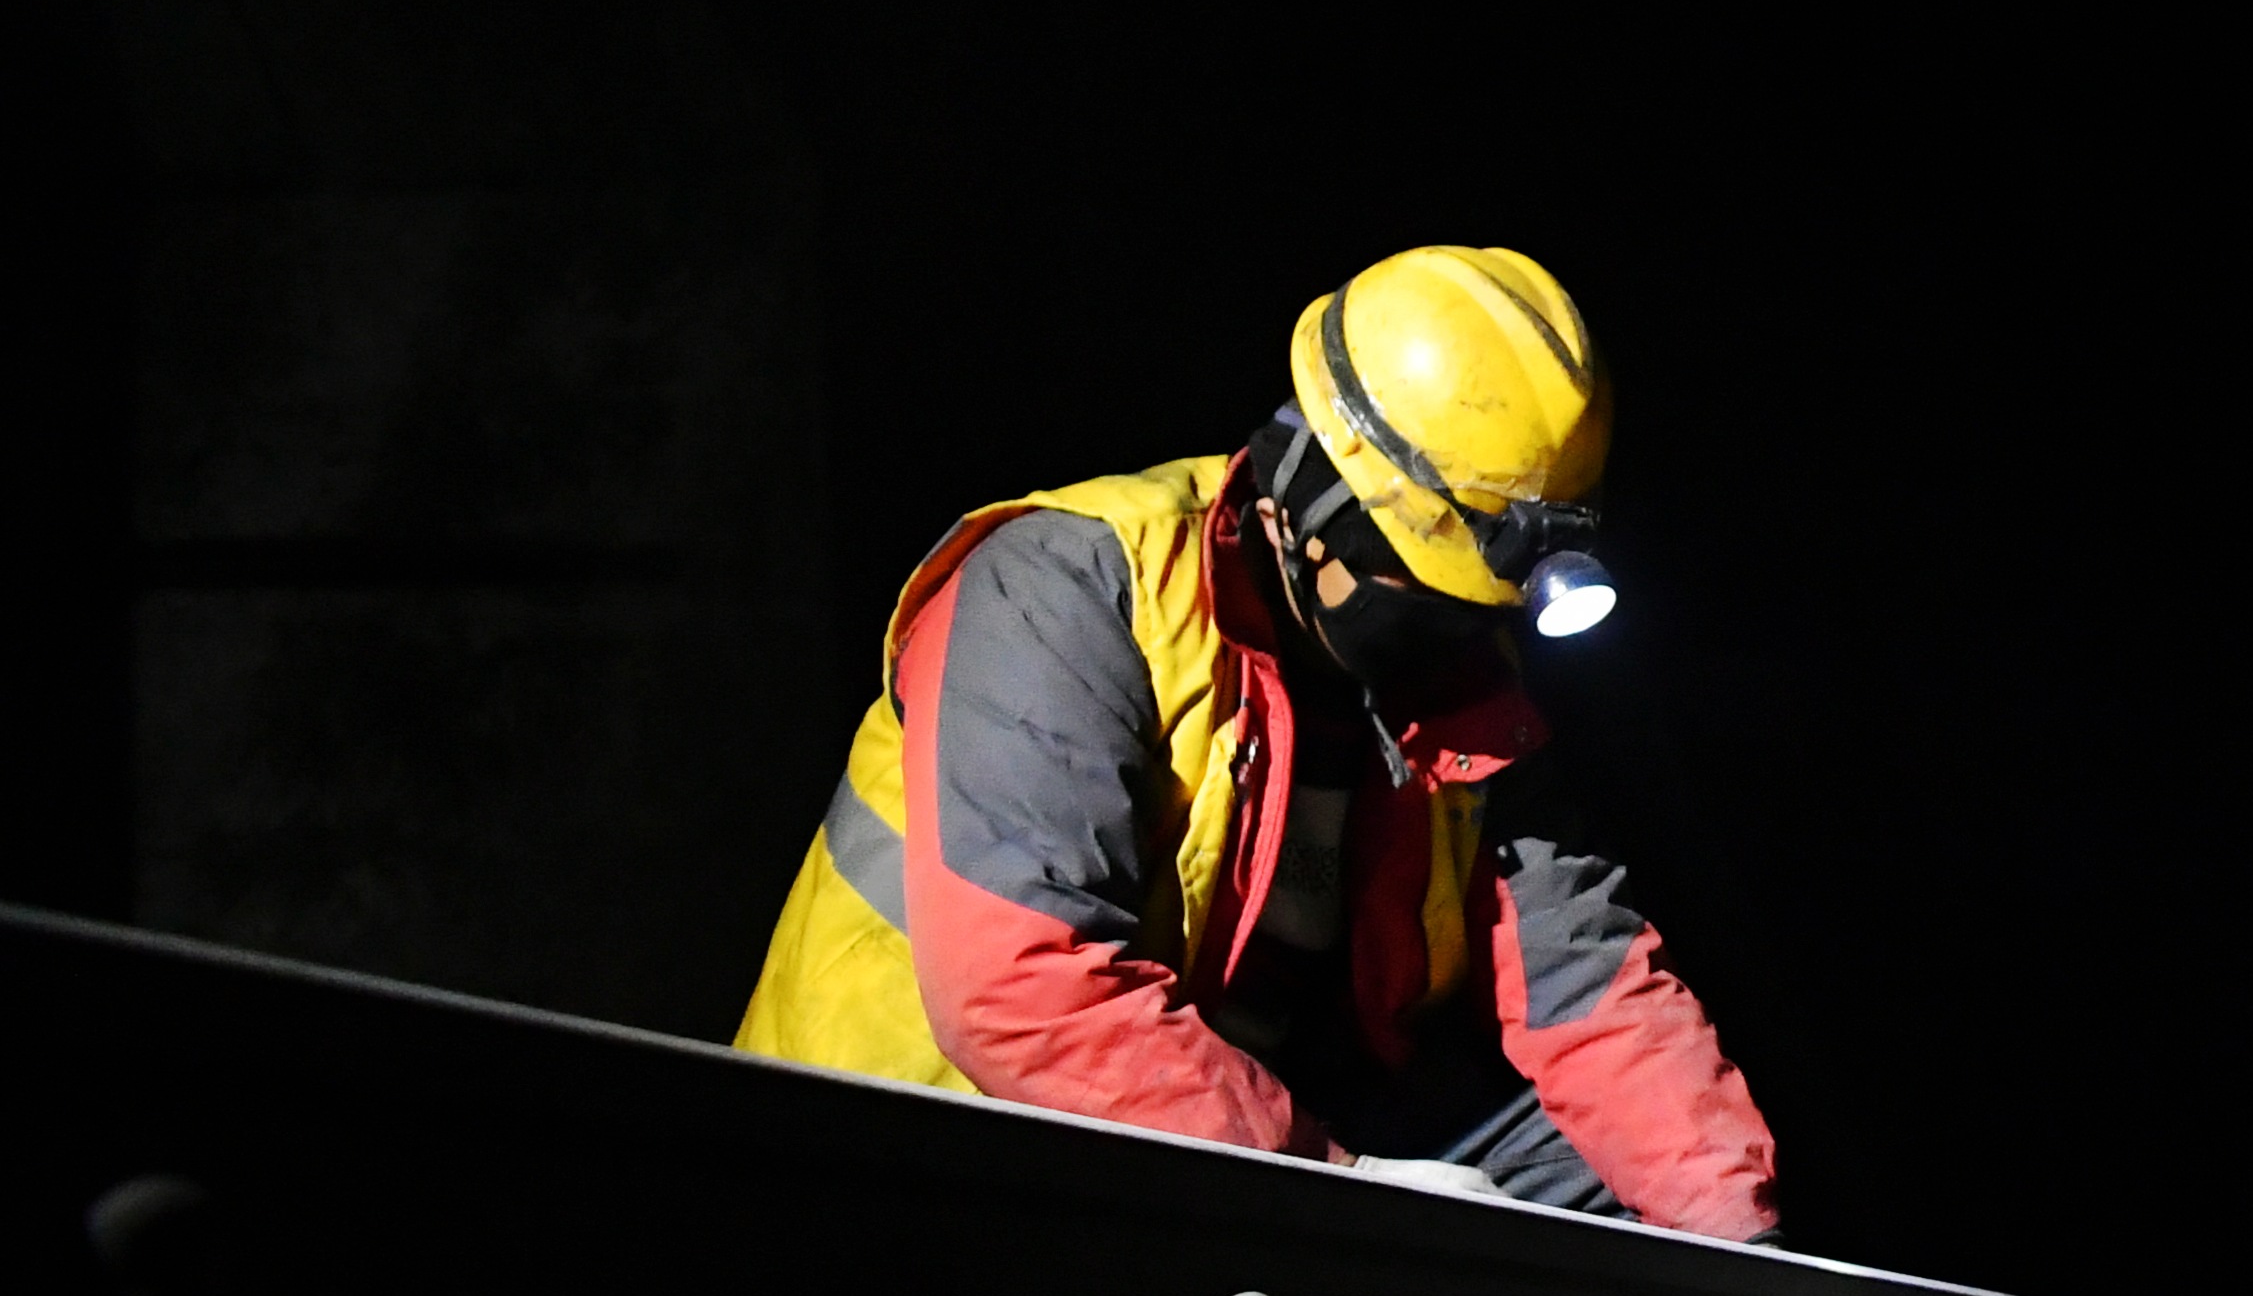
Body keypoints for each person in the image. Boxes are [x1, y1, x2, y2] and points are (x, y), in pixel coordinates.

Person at [735, 245, 1778, 1237]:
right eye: (1424, 590)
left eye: (1481, 604)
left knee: (1602, 1189)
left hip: (1223, 1141)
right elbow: (1025, 987)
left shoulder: (1456, 674)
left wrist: (1746, 1253)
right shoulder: (1068, 588)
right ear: (1307, 513)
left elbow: (1581, 978)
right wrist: (1342, 1189)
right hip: (911, 1152)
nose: (1461, 631)